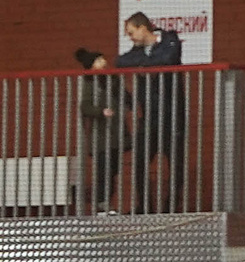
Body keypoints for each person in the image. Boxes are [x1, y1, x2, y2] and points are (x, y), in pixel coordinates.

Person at [115, 12, 185, 211]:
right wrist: (149, 63)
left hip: (172, 116)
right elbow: (120, 61)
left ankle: (171, 206)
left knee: (176, 165)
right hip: (149, 117)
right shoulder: (137, 51)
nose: (130, 37)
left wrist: (145, 64)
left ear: (143, 28)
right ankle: (145, 205)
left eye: (131, 32)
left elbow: (168, 59)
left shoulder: (169, 39)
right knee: (139, 163)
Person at [74, 48, 124, 211]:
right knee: (104, 171)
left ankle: (106, 203)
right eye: (99, 60)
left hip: (115, 134)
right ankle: (102, 203)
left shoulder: (111, 80)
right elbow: (85, 106)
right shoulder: (90, 83)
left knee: (113, 171)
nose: (104, 62)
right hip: (101, 136)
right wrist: (101, 112)